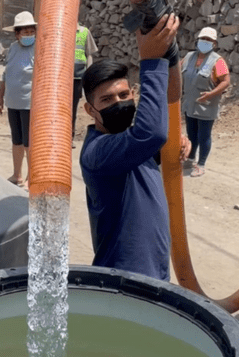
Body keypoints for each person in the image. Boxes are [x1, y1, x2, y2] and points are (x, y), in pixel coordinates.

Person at [79, 14, 179, 281]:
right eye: (107, 99)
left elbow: (152, 142)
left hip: (152, 271)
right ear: (90, 110)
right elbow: (152, 133)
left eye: (124, 95)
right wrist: (151, 62)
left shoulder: (130, 142)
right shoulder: (98, 153)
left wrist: (175, 144)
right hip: (124, 280)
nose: (119, 103)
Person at [181, 27, 230, 177]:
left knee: (204, 135)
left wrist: (210, 94)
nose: (205, 42)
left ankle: (201, 164)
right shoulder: (189, 57)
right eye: (203, 39)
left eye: (209, 40)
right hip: (190, 103)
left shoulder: (218, 61)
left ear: (214, 43)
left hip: (206, 105)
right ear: (198, 40)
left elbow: (226, 82)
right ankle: (190, 159)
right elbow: (177, 72)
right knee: (191, 134)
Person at [0, 11, 37, 188]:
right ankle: (17, 175)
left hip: (30, 103)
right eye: (24, 32)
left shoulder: (39, 49)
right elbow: (7, 74)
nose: (28, 35)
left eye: (31, 31)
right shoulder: (13, 48)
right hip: (13, 102)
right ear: (17, 34)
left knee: (29, 143)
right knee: (17, 141)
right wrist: (0, 97)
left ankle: (31, 178)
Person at [71, 21, 98, 148]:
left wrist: (89, 73)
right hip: (61, 77)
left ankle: (69, 137)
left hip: (77, 77)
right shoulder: (60, 30)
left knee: (72, 108)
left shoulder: (84, 32)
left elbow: (89, 54)